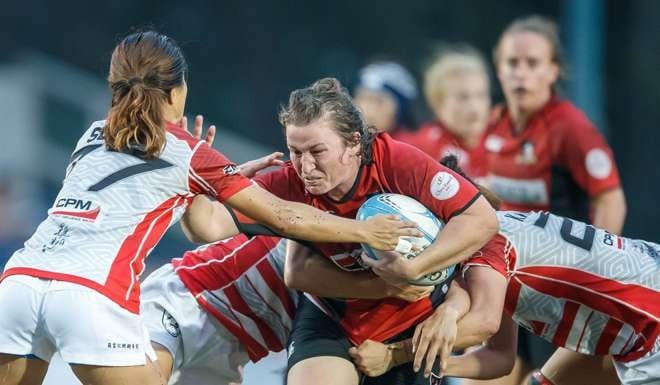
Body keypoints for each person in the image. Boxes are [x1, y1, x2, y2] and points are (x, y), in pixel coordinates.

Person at [0, 31, 418, 385]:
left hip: (17, 284)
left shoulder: (92, 134)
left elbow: (187, 214)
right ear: (176, 91)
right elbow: (285, 215)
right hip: (90, 294)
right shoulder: (188, 152)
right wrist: (364, 231)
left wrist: (218, 176)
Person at [224, 77, 497, 385]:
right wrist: (216, 175)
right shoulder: (291, 182)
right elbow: (292, 270)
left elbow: (482, 223)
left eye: (317, 151)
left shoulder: (397, 161)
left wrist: (414, 274)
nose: (305, 166)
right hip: (333, 316)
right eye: (295, 152)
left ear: (354, 142)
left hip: (412, 318)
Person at [351, 158, 658, 385]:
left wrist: (395, 355)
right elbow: (500, 358)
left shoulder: (486, 245)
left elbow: (484, 323)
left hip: (650, 324)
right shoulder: (492, 235)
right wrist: (434, 361)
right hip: (638, 315)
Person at [140, 200, 439, 385]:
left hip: (236, 348)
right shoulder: (328, 227)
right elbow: (208, 224)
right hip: (190, 299)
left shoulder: (386, 298)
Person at [483, 15, 627, 383]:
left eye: (533, 64)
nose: (521, 73)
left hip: (557, 290)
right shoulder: (492, 124)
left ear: (553, 71)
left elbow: (611, 199)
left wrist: (593, 271)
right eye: (512, 63)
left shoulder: (569, 128)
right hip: (506, 283)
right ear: (498, 69)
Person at [401, 45, 491, 180]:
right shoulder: (419, 150)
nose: (474, 107)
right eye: (462, 97)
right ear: (437, 103)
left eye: (481, 95)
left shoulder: (506, 142)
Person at [353, 61, 419, 137]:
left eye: (377, 101)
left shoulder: (417, 146)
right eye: (361, 98)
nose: (366, 109)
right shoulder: (345, 144)